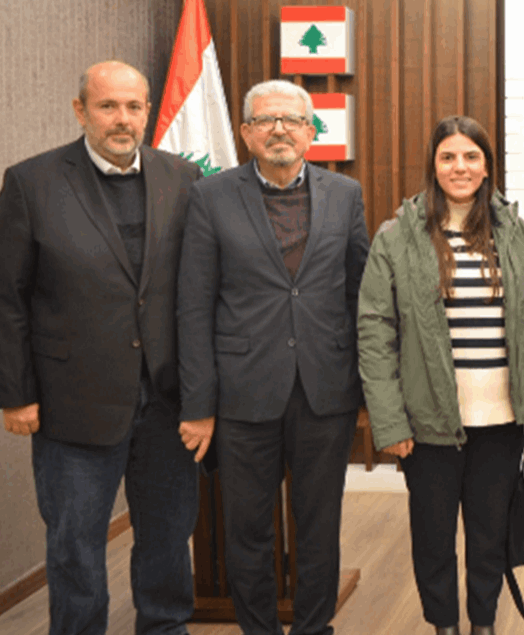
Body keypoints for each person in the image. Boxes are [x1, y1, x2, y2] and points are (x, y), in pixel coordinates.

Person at [0, 60, 203, 635]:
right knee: (75, 546)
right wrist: (16, 394)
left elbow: (197, 287)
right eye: (108, 106)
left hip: (167, 402)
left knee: (168, 537)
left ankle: (165, 627)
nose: (121, 119)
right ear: (81, 111)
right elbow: (5, 297)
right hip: (72, 402)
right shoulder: (31, 183)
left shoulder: (184, 178)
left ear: (147, 111)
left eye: (133, 106)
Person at [176, 79, 369, 635]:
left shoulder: (345, 194)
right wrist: (198, 404)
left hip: (324, 390)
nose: (279, 129)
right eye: (265, 120)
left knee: (319, 528)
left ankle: (314, 627)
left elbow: (360, 296)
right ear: (245, 132)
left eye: (291, 120)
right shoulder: (210, 196)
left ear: (311, 132)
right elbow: (194, 305)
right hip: (242, 393)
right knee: (247, 532)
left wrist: (365, 390)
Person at [357, 115, 524, 635]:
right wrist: (390, 422)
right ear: (433, 166)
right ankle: (444, 626)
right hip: (427, 424)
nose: (460, 167)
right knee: (433, 540)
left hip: (502, 420)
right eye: (448, 157)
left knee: (490, 537)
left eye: (471, 157)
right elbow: (374, 331)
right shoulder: (397, 236)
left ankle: (483, 624)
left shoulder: (514, 232)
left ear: (487, 166)